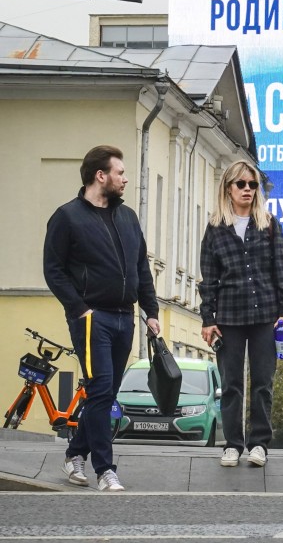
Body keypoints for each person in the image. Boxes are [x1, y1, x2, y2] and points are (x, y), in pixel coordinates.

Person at [43, 145, 160, 492]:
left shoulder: (128, 217)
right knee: (99, 391)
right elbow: (54, 270)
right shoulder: (67, 217)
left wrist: (151, 311)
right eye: (120, 173)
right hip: (92, 319)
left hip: (126, 318)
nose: (125, 179)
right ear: (101, 175)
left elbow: (141, 268)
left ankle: (75, 451)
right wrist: (80, 309)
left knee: (105, 394)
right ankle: (105, 469)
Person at [199, 161, 283, 469]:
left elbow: (282, 269)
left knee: (263, 382)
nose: (248, 190)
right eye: (241, 184)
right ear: (228, 187)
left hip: (266, 314)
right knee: (231, 384)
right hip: (229, 315)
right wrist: (207, 318)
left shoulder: (269, 224)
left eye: (253, 185)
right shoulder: (215, 228)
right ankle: (232, 444)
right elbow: (209, 277)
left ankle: (259, 444)